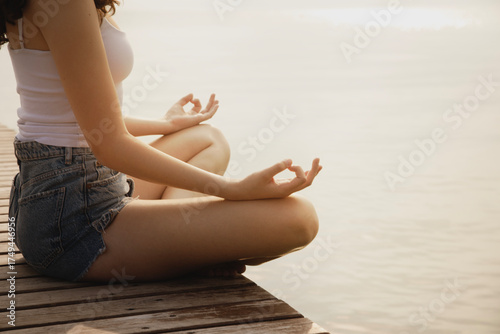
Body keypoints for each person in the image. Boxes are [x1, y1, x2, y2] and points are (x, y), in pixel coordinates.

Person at [2, 0, 322, 282]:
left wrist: (166, 124)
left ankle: (181, 241)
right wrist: (231, 189)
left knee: (207, 139)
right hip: (72, 219)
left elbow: (85, 120)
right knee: (300, 220)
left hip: (66, 189)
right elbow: (109, 143)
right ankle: (185, 246)